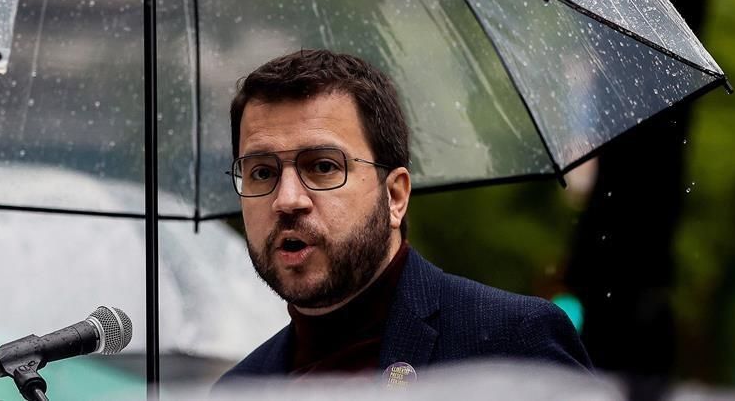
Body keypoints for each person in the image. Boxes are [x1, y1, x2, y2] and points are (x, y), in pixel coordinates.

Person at [217, 49, 591, 384]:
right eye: (262, 172)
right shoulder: (240, 389)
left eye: (323, 166)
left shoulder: (511, 342)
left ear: (395, 196)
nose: (287, 200)